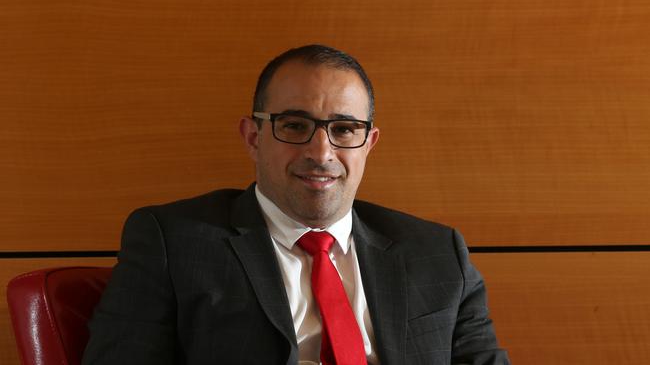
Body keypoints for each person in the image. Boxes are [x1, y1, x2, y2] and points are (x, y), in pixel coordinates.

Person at [82, 44, 510, 365]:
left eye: (344, 129)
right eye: (295, 125)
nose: (321, 152)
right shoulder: (173, 242)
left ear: (368, 144)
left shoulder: (437, 253)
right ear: (253, 137)